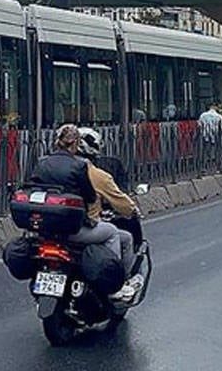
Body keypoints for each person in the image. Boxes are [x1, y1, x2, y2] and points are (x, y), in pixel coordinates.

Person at [29, 125, 136, 300]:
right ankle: (114, 284)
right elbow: (89, 196)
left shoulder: (42, 163)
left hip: (46, 228)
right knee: (112, 233)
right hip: (74, 229)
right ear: (75, 144)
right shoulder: (80, 167)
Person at [74, 128, 146, 302]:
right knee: (120, 236)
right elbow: (121, 201)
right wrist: (133, 210)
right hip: (80, 228)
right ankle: (116, 283)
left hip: (50, 228)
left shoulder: (52, 168)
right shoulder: (95, 174)